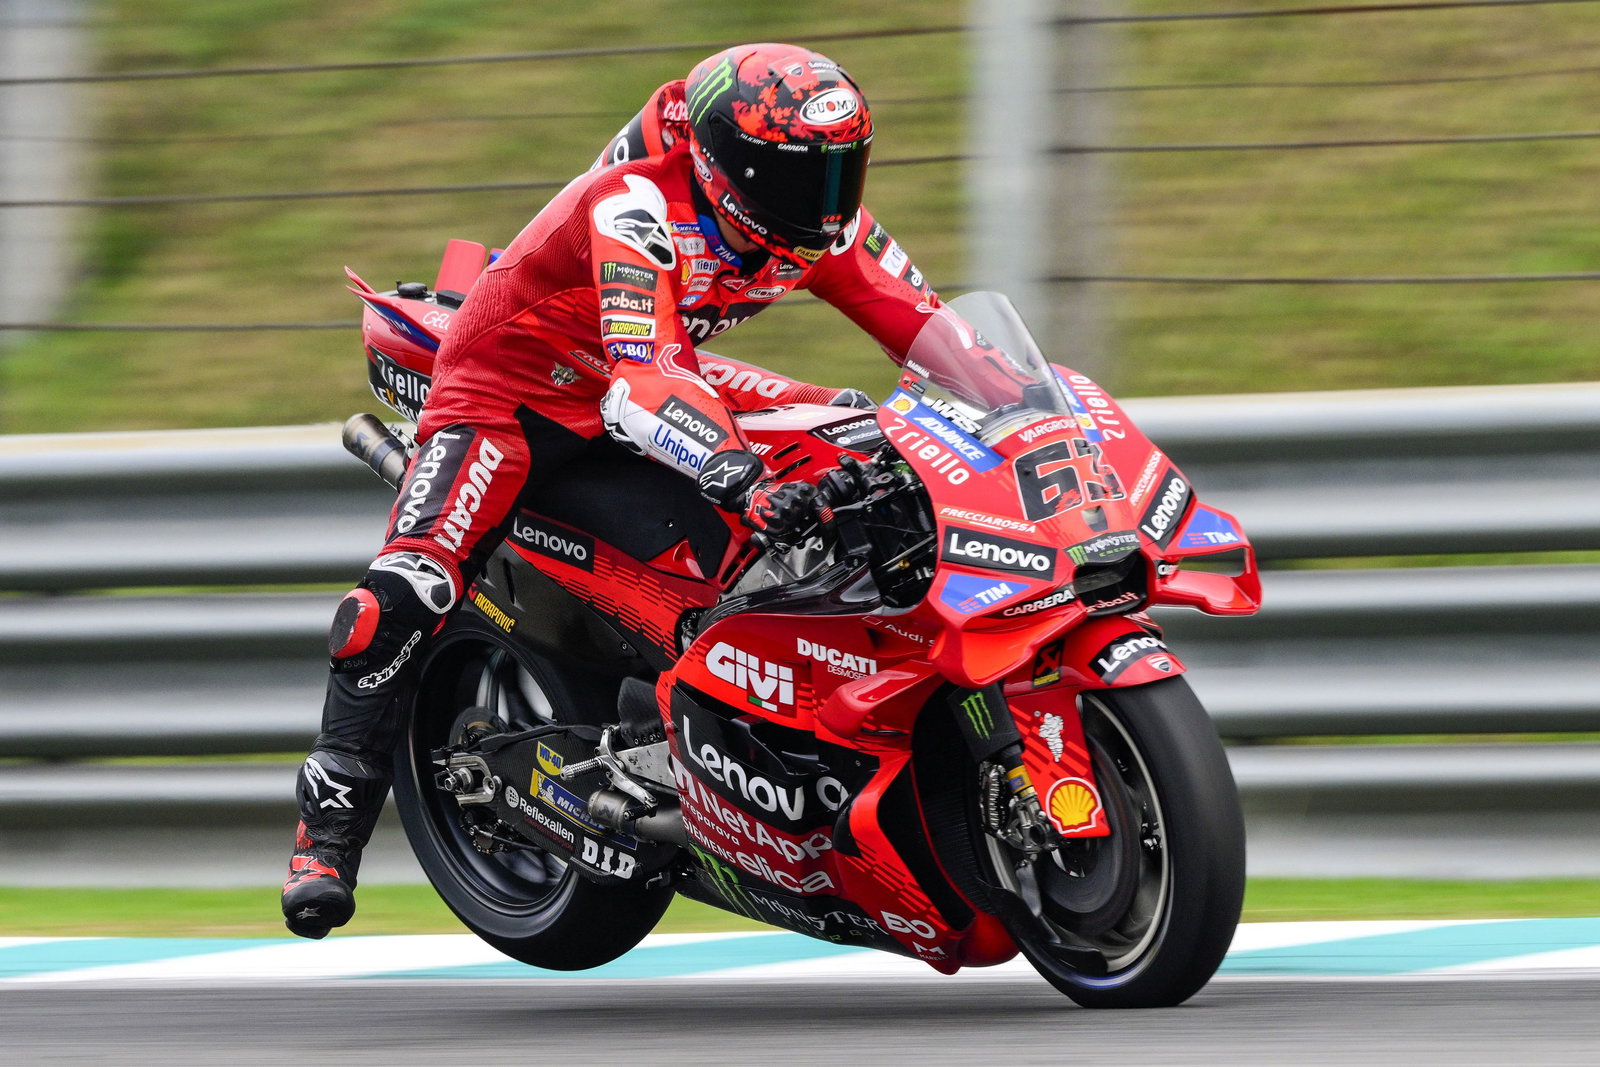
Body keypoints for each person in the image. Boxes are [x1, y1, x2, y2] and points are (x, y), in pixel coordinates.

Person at [282, 42, 957, 938]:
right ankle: (325, 837)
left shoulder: (819, 223)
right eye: (804, 175)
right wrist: (737, 473)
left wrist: (1033, 412)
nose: (828, 201)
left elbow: (937, 334)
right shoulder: (637, 204)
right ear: (732, 167)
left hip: (632, 372)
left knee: (856, 427)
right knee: (405, 592)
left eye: (844, 170)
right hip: (513, 394)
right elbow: (648, 379)